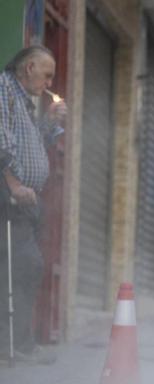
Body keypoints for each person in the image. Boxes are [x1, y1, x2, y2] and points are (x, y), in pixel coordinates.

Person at [0, 46, 66, 364]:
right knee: (24, 265)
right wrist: (13, 184)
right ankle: (13, 345)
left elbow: (33, 144)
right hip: (10, 196)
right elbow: (1, 141)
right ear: (29, 68)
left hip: (26, 199)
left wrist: (51, 122)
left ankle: (17, 343)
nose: (50, 83)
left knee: (22, 266)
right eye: (47, 75)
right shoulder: (4, 89)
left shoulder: (24, 100)